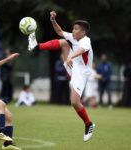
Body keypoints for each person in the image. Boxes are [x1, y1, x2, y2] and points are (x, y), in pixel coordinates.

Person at [28, 11, 95, 142]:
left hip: (81, 72)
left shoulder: (86, 41)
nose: (73, 31)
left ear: (83, 32)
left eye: (76, 29)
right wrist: (53, 20)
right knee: (64, 42)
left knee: (75, 102)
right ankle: (36, 46)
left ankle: (88, 124)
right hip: (73, 65)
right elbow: (59, 32)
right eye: (73, 29)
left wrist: (70, 56)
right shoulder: (74, 37)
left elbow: (81, 50)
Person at [0, 53, 21, 150]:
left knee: (9, 116)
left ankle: (7, 144)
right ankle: (0, 131)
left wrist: (9, 58)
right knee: (2, 104)